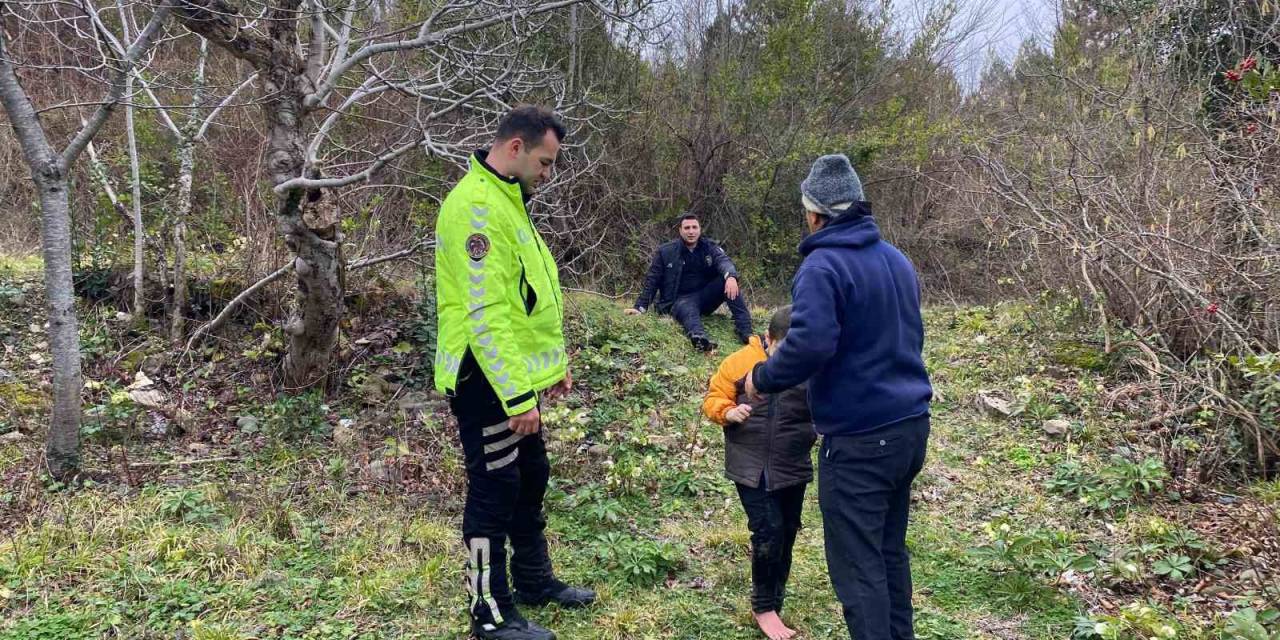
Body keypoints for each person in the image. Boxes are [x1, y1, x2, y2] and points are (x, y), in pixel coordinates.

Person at [745, 154, 933, 640]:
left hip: (860, 443)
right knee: (889, 551)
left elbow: (809, 344)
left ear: (814, 213)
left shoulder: (822, 265)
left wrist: (760, 378)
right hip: (910, 427)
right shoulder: (895, 259)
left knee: (858, 567)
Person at [434, 105, 595, 640]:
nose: (548, 175)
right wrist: (516, 398)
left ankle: (532, 580)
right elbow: (486, 316)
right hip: (486, 380)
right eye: (545, 163)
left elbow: (528, 295)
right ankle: (489, 611)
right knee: (494, 489)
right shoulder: (478, 209)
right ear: (515, 148)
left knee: (530, 477)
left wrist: (554, 365)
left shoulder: (509, 199)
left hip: (515, 378)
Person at [703, 305, 816, 640]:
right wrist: (727, 411)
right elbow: (713, 398)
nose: (789, 359)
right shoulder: (739, 362)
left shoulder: (812, 364)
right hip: (750, 465)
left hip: (793, 465)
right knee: (769, 532)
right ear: (769, 339)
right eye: (783, 351)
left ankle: (775, 599)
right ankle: (763, 606)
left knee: (789, 530)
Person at [625, 213, 754, 351]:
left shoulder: (710, 247)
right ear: (680, 230)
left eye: (694, 227)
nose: (691, 231)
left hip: (704, 298)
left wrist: (731, 276)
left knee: (728, 281)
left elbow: (724, 261)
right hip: (677, 300)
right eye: (687, 228)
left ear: (699, 229)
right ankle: (699, 338)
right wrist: (640, 307)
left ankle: (746, 332)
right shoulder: (665, 252)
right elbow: (652, 280)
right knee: (687, 307)